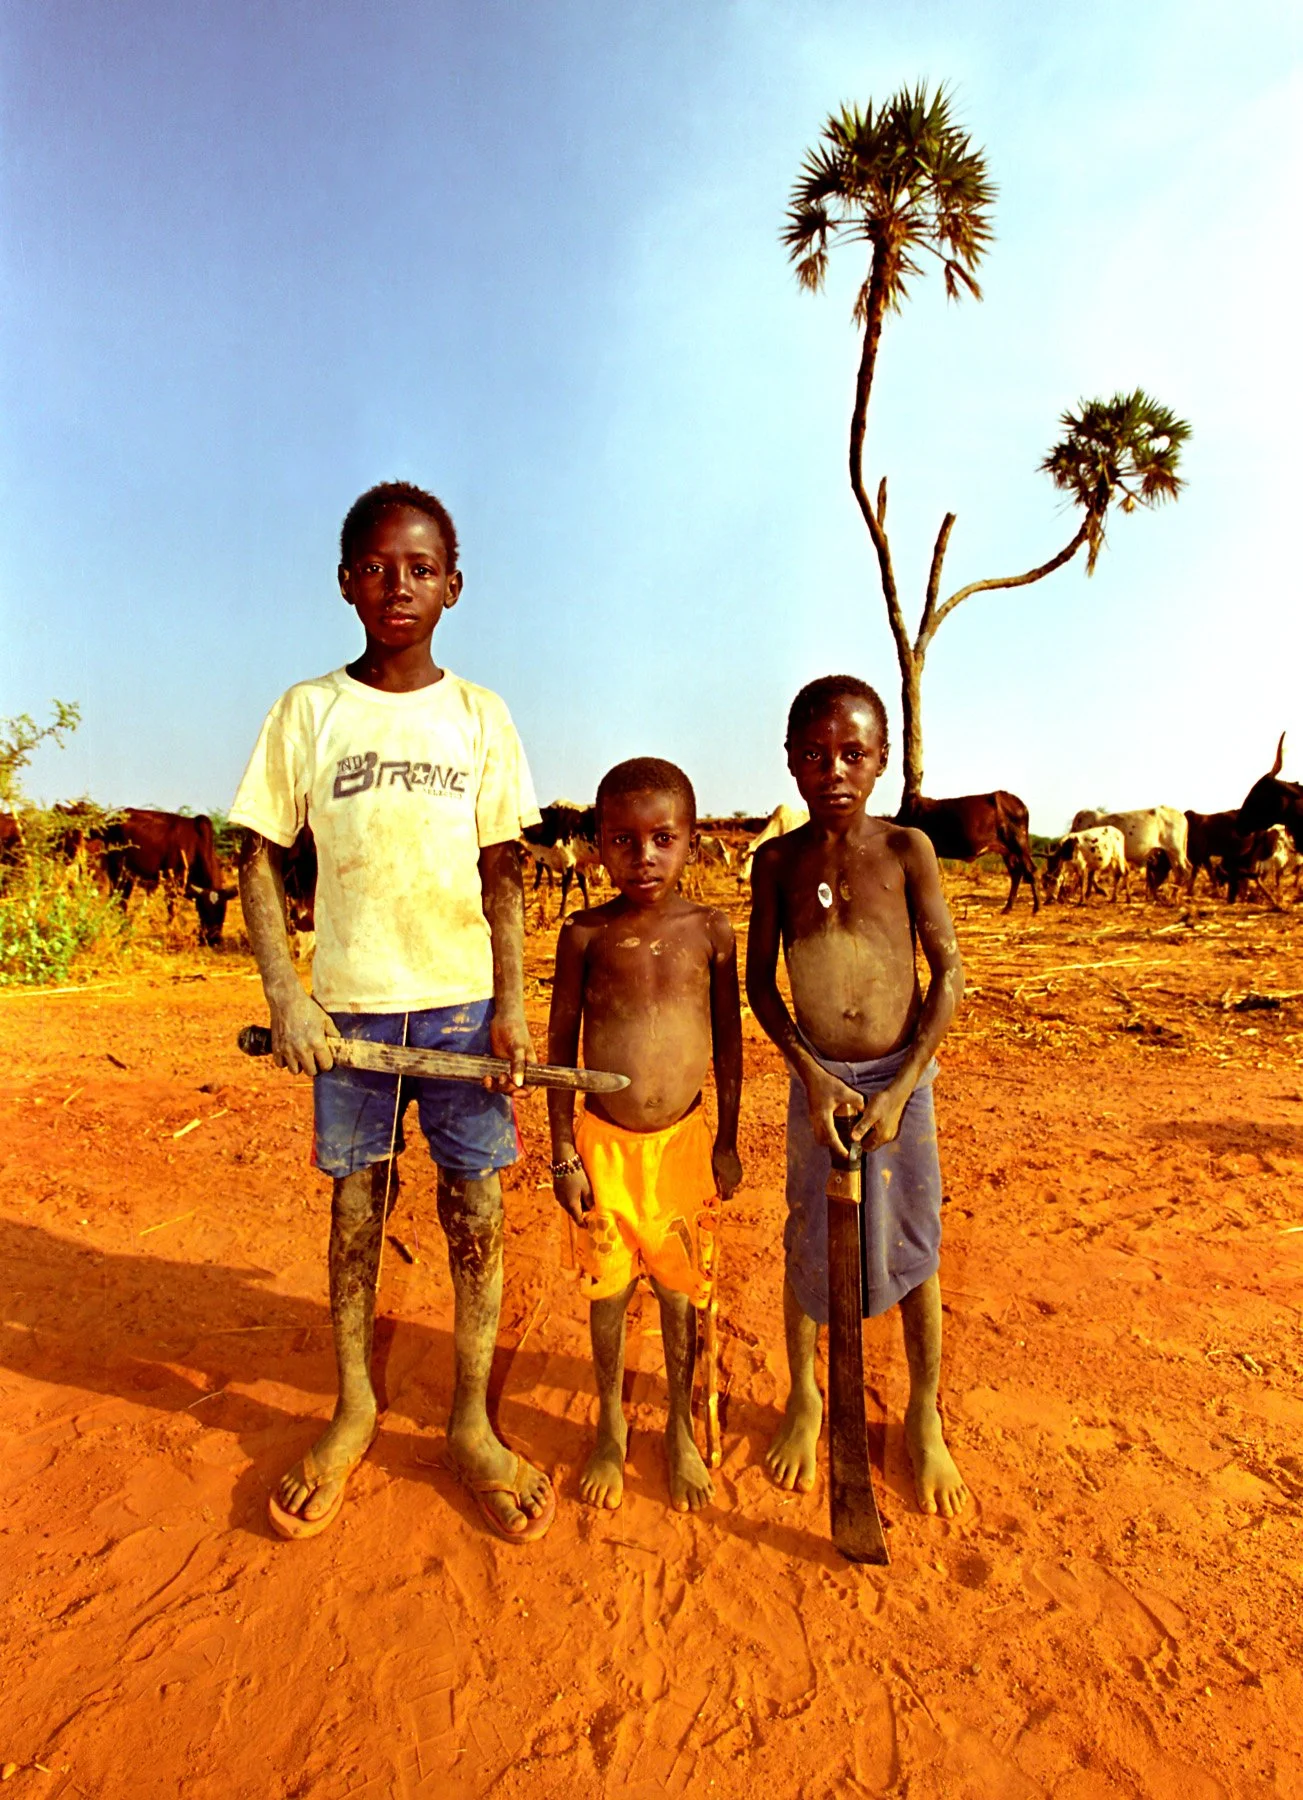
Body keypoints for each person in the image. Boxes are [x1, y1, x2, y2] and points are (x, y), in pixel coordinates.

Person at [231, 480, 555, 1543]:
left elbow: (503, 870)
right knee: (356, 1210)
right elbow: (260, 856)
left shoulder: (480, 715)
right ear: (344, 584)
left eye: (419, 569)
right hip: (350, 1019)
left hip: (461, 1011)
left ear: (454, 587)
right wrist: (287, 995)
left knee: (476, 1210)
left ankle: (469, 1419)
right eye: (375, 567)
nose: (397, 586)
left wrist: (512, 1004)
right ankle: (356, 1406)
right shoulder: (307, 712)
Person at [745, 676, 969, 1519]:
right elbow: (763, 989)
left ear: (879, 759)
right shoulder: (778, 862)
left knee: (915, 1243)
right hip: (818, 1086)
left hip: (901, 1083)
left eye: (850, 752)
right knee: (809, 1235)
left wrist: (904, 1081)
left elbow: (947, 974)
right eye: (812, 754)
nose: (831, 769)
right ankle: (804, 1394)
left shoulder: (907, 850)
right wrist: (810, 1076)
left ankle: (922, 1414)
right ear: (791, 763)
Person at [546, 758, 743, 1513]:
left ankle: (682, 1436)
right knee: (606, 1292)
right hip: (602, 1147)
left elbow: (727, 1047)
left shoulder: (710, 932)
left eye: (663, 838)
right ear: (596, 845)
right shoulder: (584, 934)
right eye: (623, 840)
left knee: (677, 1290)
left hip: (683, 1148)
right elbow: (560, 1048)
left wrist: (725, 1141)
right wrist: (563, 1150)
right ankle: (609, 1425)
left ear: (692, 841)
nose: (644, 856)